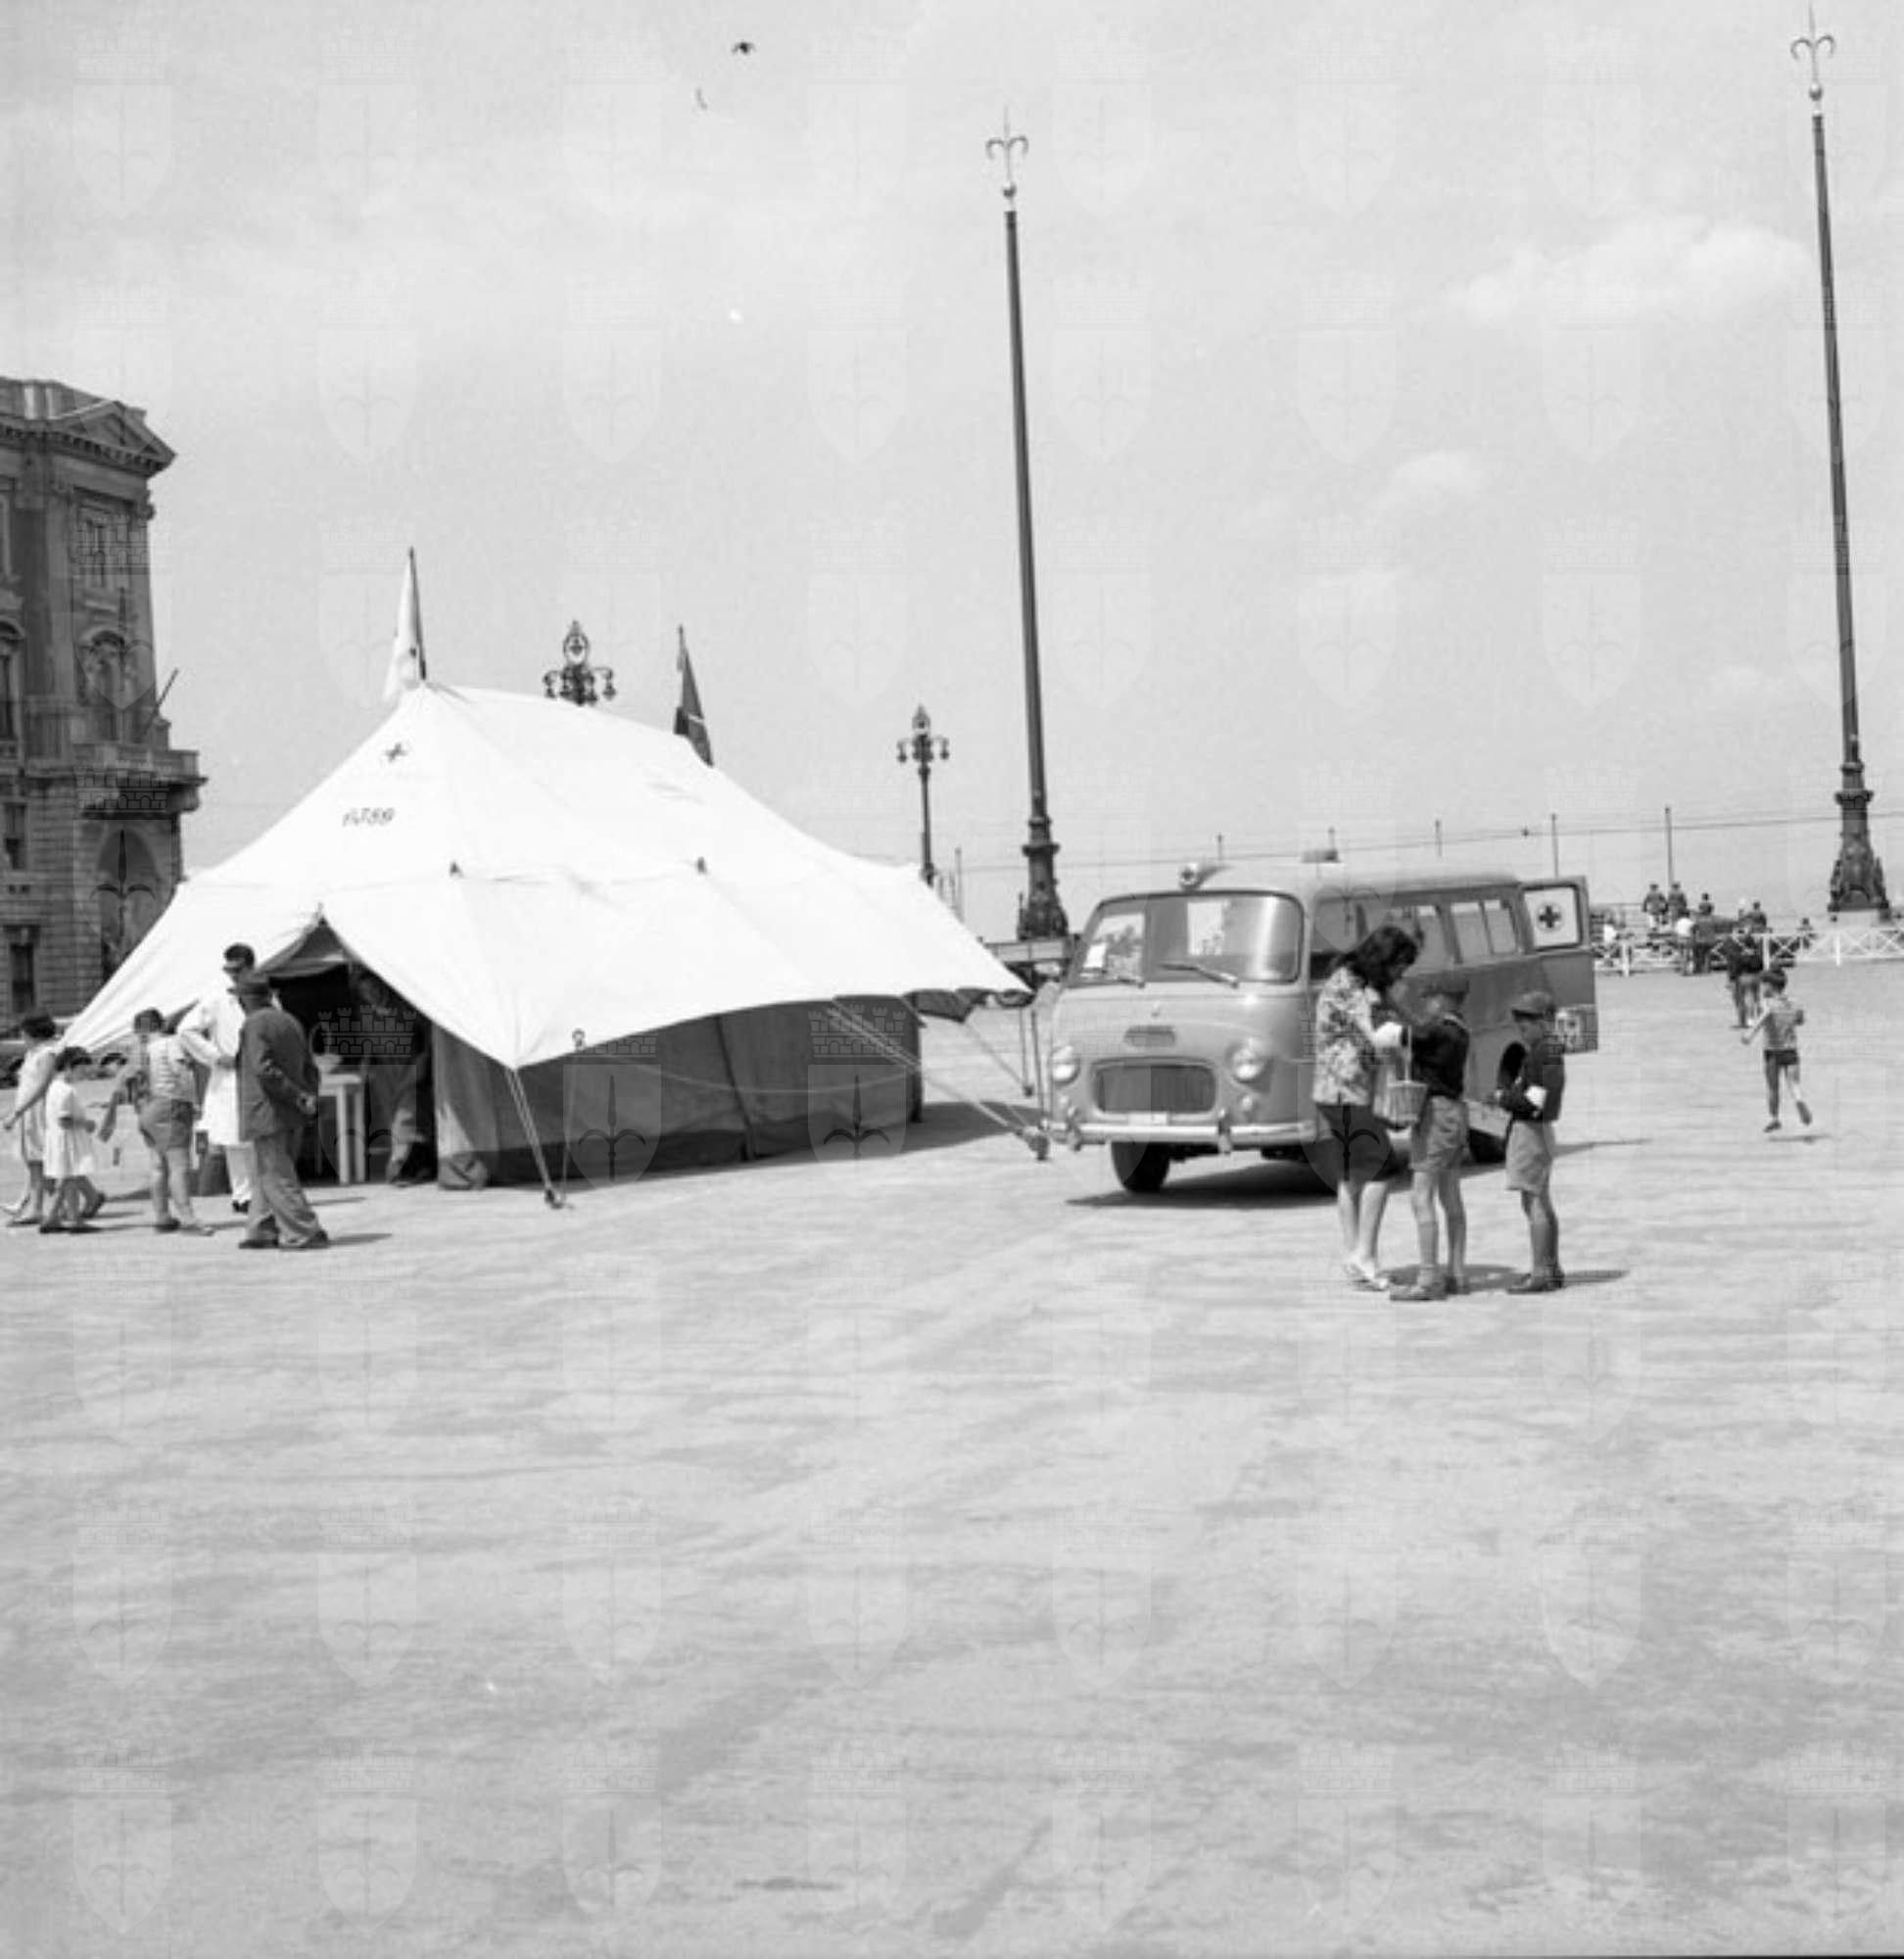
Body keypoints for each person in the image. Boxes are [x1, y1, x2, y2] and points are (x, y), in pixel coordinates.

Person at [1311, 923, 1417, 1291]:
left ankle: (1354, 1256)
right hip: (1346, 1090)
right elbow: (1375, 1035)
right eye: (1400, 965)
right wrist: (1411, 1037)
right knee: (1381, 1166)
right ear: (1385, 959)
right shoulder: (1351, 986)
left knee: (1351, 1173)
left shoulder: (1355, 980)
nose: (1401, 973)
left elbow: (1395, 1013)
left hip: (1330, 1091)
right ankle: (1365, 1256)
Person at [1391, 974, 1471, 1303]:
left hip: (1435, 1115)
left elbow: (1399, 1034)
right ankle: (1457, 1273)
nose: (1425, 1004)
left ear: (1443, 999)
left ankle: (1428, 1278)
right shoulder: (1460, 1030)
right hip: (1455, 1112)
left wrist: (1391, 1002)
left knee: (1420, 1195)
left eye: (1429, 998)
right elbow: (1417, 1029)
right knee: (1450, 1196)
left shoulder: (1437, 1032)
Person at [234, 977, 328, 1250]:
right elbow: (310, 1066)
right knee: (266, 1172)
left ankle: (305, 1230)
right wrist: (307, 1096)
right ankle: (261, 1228)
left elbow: (263, 1069)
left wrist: (296, 1094)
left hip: (266, 1110)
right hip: (290, 1112)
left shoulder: (254, 1024)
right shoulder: (289, 1020)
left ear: (246, 999)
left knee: (276, 1174)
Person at [99, 1009, 213, 1234]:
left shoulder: (137, 1053)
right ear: (160, 1024)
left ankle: (162, 1216)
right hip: (170, 1106)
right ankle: (188, 1219)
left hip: (146, 1110)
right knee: (180, 1166)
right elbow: (181, 1073)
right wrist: (195, 1102)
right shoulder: (170, 1044)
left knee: (158, 1166)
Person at [181, 943, 264, 1216]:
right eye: (229, 970)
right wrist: (215, 1056)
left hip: (259, 1074)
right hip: (230, 1075)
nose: (233, 975)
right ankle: (242, 1195)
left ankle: (260, 1192)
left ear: (250, 967)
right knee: (232, 1136)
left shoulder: (265, 996)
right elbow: (186, 1030)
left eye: (238, 970)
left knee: (258, 1138)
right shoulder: (216, 998)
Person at [1492, 990, 1566, 1294]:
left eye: (1526, 1023)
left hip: (1530, 1130)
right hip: (1542, 1129)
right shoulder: (1550, 1049)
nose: (1521, 1028)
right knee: (1542, 1201)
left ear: (1543, 1022)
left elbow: (1533, 1101)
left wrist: (1501, 1098)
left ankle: (1540, 1272)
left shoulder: (1540, 1053)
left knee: (1533, 1201)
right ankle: (1551, 1267)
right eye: (1519, 1023)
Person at [39, 1047, 106, 1233]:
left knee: (66, 1179)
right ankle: (75, 1219)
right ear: (69, 1067)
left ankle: (52, 1217)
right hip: (67, 1142)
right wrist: (86, 1123)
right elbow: (64, 1120)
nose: (84, 1073)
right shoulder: (65, 1090)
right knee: (71, 1179)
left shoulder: (54, 1087)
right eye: (81, 1069)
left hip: (58, 1140)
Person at [3, 1012, 60, 1225]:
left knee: (40, 1160)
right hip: (29, 1112)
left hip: (36, 1113)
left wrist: (18, 1112)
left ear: (32, 1033)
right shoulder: (32, 1053)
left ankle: (42, 1207)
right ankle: (36, 1205)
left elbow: (41, 1086)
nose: (21, 1036)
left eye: (23, 1032)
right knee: (35, 1162)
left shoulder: (46, 1054)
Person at [1741, 968, 1812, 1132]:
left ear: (1770, 986)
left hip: (1772, 1051)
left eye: (1763, 984)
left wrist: (1750, 1033)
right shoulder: (1794, 1002)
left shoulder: (1767, 1003)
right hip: (1791, 1050)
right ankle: (1799, 1100)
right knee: (1794, 1084)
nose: (1761, 988)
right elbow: (1800, 1020)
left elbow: (1765, 1015)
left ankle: (1774, 1118)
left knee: (1773, 1087)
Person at [1716, 928, 1765, 1030]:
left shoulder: (1738, 951)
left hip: (1744, 977)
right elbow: (1761, 965)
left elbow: (1736, 965)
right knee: (1756, 999)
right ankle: (1758, 1019)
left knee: (1744, 999)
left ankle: (1748, 1021)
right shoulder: (1754, 951)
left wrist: (1731, 978)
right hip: (1756, 976)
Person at [1674, 910, 1695, 976]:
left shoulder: (1678, 922)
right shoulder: (1691, 922)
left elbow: (1676, 931)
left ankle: (1682, 969)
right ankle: (1685, 970)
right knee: (1687, 955)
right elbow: (1693, 931)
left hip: (1679, 938)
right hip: (1687, 938)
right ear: (1688, 915)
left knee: (1681, 955)